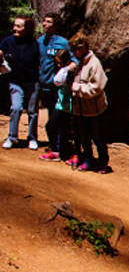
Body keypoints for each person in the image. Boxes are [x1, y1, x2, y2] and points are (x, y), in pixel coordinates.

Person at [69, 33, 110, 173]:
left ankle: (103, 161)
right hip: (80, 109)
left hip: (94, 109)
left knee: (98, 137)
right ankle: (88, 160)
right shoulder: (80, 63)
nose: (75, 53)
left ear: (84, 47)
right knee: (84, 136)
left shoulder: (94, 63)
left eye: (77, 50)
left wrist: (75, 88)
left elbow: (97, 88)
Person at [37, 13, 74, 159]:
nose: (44, 24)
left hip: (58, 86)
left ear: (55, 25)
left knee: (57, 119)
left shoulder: (62, 42)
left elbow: (71, 57)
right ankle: (55, 145)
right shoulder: (40, 41)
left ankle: (59, 147)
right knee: (51, 117)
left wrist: (71, 66)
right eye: (44, 22)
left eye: (48, 22)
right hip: (45, 84)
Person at [1, 16, 40, 150]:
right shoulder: (8, 42)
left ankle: (32, 138)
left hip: (32, 82)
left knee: (32, 111)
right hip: (15, 82)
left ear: (27, 28)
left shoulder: (34, 44)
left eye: (19, 26)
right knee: (16, 108)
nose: (15, 28)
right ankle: (12, 137)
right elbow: (1, 52)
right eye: (14, 25)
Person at [41, 49, 78, 164]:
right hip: (61, 105)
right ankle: (55, 150)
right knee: (50, 126)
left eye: (60, 63)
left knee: (67, 131)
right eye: (57, 63)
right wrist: (66, 69)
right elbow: (57, 81)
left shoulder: (75, 67)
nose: (58, 65)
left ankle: (69, 153)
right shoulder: (64, 69)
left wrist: (71, 68)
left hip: (71, 106)